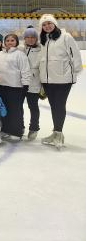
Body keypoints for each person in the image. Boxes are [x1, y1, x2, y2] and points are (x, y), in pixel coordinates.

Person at [38, 14, 82, 148]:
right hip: (47, 80)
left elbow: (75, 55)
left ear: (55, 24)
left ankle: (59, 134)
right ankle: (56, 132)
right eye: (44, 25)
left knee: (59, 106)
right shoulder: (44, 39)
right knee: (53, 106)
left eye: (49, 23)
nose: (47, 26)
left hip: (63, 80)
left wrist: (74, 72)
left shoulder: (65, 37)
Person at [0, 34, 30, 140]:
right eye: (7, 40)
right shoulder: (0, 54)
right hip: (1, 86)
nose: (10, 42)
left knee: (15, 110)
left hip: (15, 86)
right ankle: (5, 129)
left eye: (12, 40)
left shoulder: (20, 55)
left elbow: (25, 70)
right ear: (4, 42)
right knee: (4, 109)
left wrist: (25, 84)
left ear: (16, 42)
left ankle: (16, 132)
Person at [18, 26, 42, 140]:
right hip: (21, 82)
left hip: (34, 82)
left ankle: (34, 128)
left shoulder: (41, 49)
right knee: (18, 106)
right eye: (28, 37)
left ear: (36, 38)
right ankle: (20, 126)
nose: (30, 39)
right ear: (25, 38)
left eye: (33, 37)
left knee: (33, 106)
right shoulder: (20, 49)